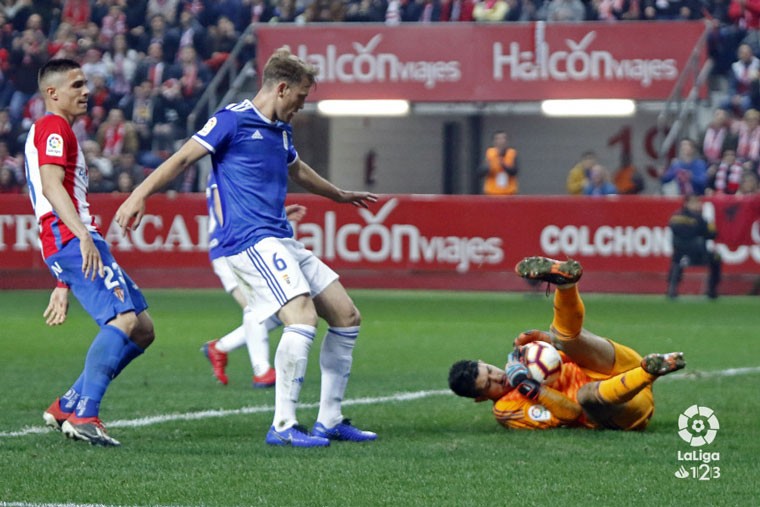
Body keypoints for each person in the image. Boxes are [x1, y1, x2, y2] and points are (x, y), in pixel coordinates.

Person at [114, 47, 378, 448]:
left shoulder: (281, 129)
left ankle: (329, 419)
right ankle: (284, 426)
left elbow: (297, 170)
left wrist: (337, 195)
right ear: (283, 88)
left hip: (280, 236)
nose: (302, 106)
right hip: (249, 239)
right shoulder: (231, 120)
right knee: (301, 317)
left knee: (346, 315)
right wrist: (139, 194)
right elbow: (183, 158)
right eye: (302, 97)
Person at [25, 59, 155, 447]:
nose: (86, 91)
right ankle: (85, 415)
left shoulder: (61, 130)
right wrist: (81, 235)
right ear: (53, 93)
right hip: (72, 234)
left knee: (143, 328)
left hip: (70, 236)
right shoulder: (53, 127)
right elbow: (51, 186)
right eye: (77, 85)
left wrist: (63, 276)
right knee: (122, 319)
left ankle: (68, 403)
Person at [448, 256, 685, 430]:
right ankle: (651, 371)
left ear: (485, 362)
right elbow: (571, 414)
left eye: (489, 371)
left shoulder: (523, 359)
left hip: (617, 365)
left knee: (563, 338)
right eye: (488, 384)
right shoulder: (507, 409)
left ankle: (565, 285)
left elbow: (569, 354)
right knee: (585, 397)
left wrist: (546, 341)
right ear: (480, 398)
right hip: (625, 408)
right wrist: (529, 386)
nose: (497, 377)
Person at [201, 171, 307, 388]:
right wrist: (235, 238)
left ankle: (220, 347)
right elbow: (223, 210)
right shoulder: (223, 169)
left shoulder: (233, 166)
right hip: (229, 248)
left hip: (241, 245)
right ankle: (261, 370)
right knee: (254, 306)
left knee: (277, 312)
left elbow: (243, 210)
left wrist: (279, 215)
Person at [667, 195, 722, 299]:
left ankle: (712, 289)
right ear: (686, 204)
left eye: (698, 202)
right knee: (677, 260)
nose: (697, 205)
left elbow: (712, 235)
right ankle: (672, 288)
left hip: (700, 253)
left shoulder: (702, 218)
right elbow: (683, 232)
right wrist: (699, 230)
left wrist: (709, 226)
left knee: (716, 257)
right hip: (683, 251)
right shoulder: (678, 216)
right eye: (694, 203)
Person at [482, 130, 519, 196]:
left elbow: (514, 171)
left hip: (509, 193)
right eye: (498, 139)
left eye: (503, 139)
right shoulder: (489, 153)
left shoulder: (512, 153)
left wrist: (503, 165)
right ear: (494, 142)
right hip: (492, 193)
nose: (500, 141)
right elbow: (480, 173)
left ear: (507, 141)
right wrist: (488, 167)